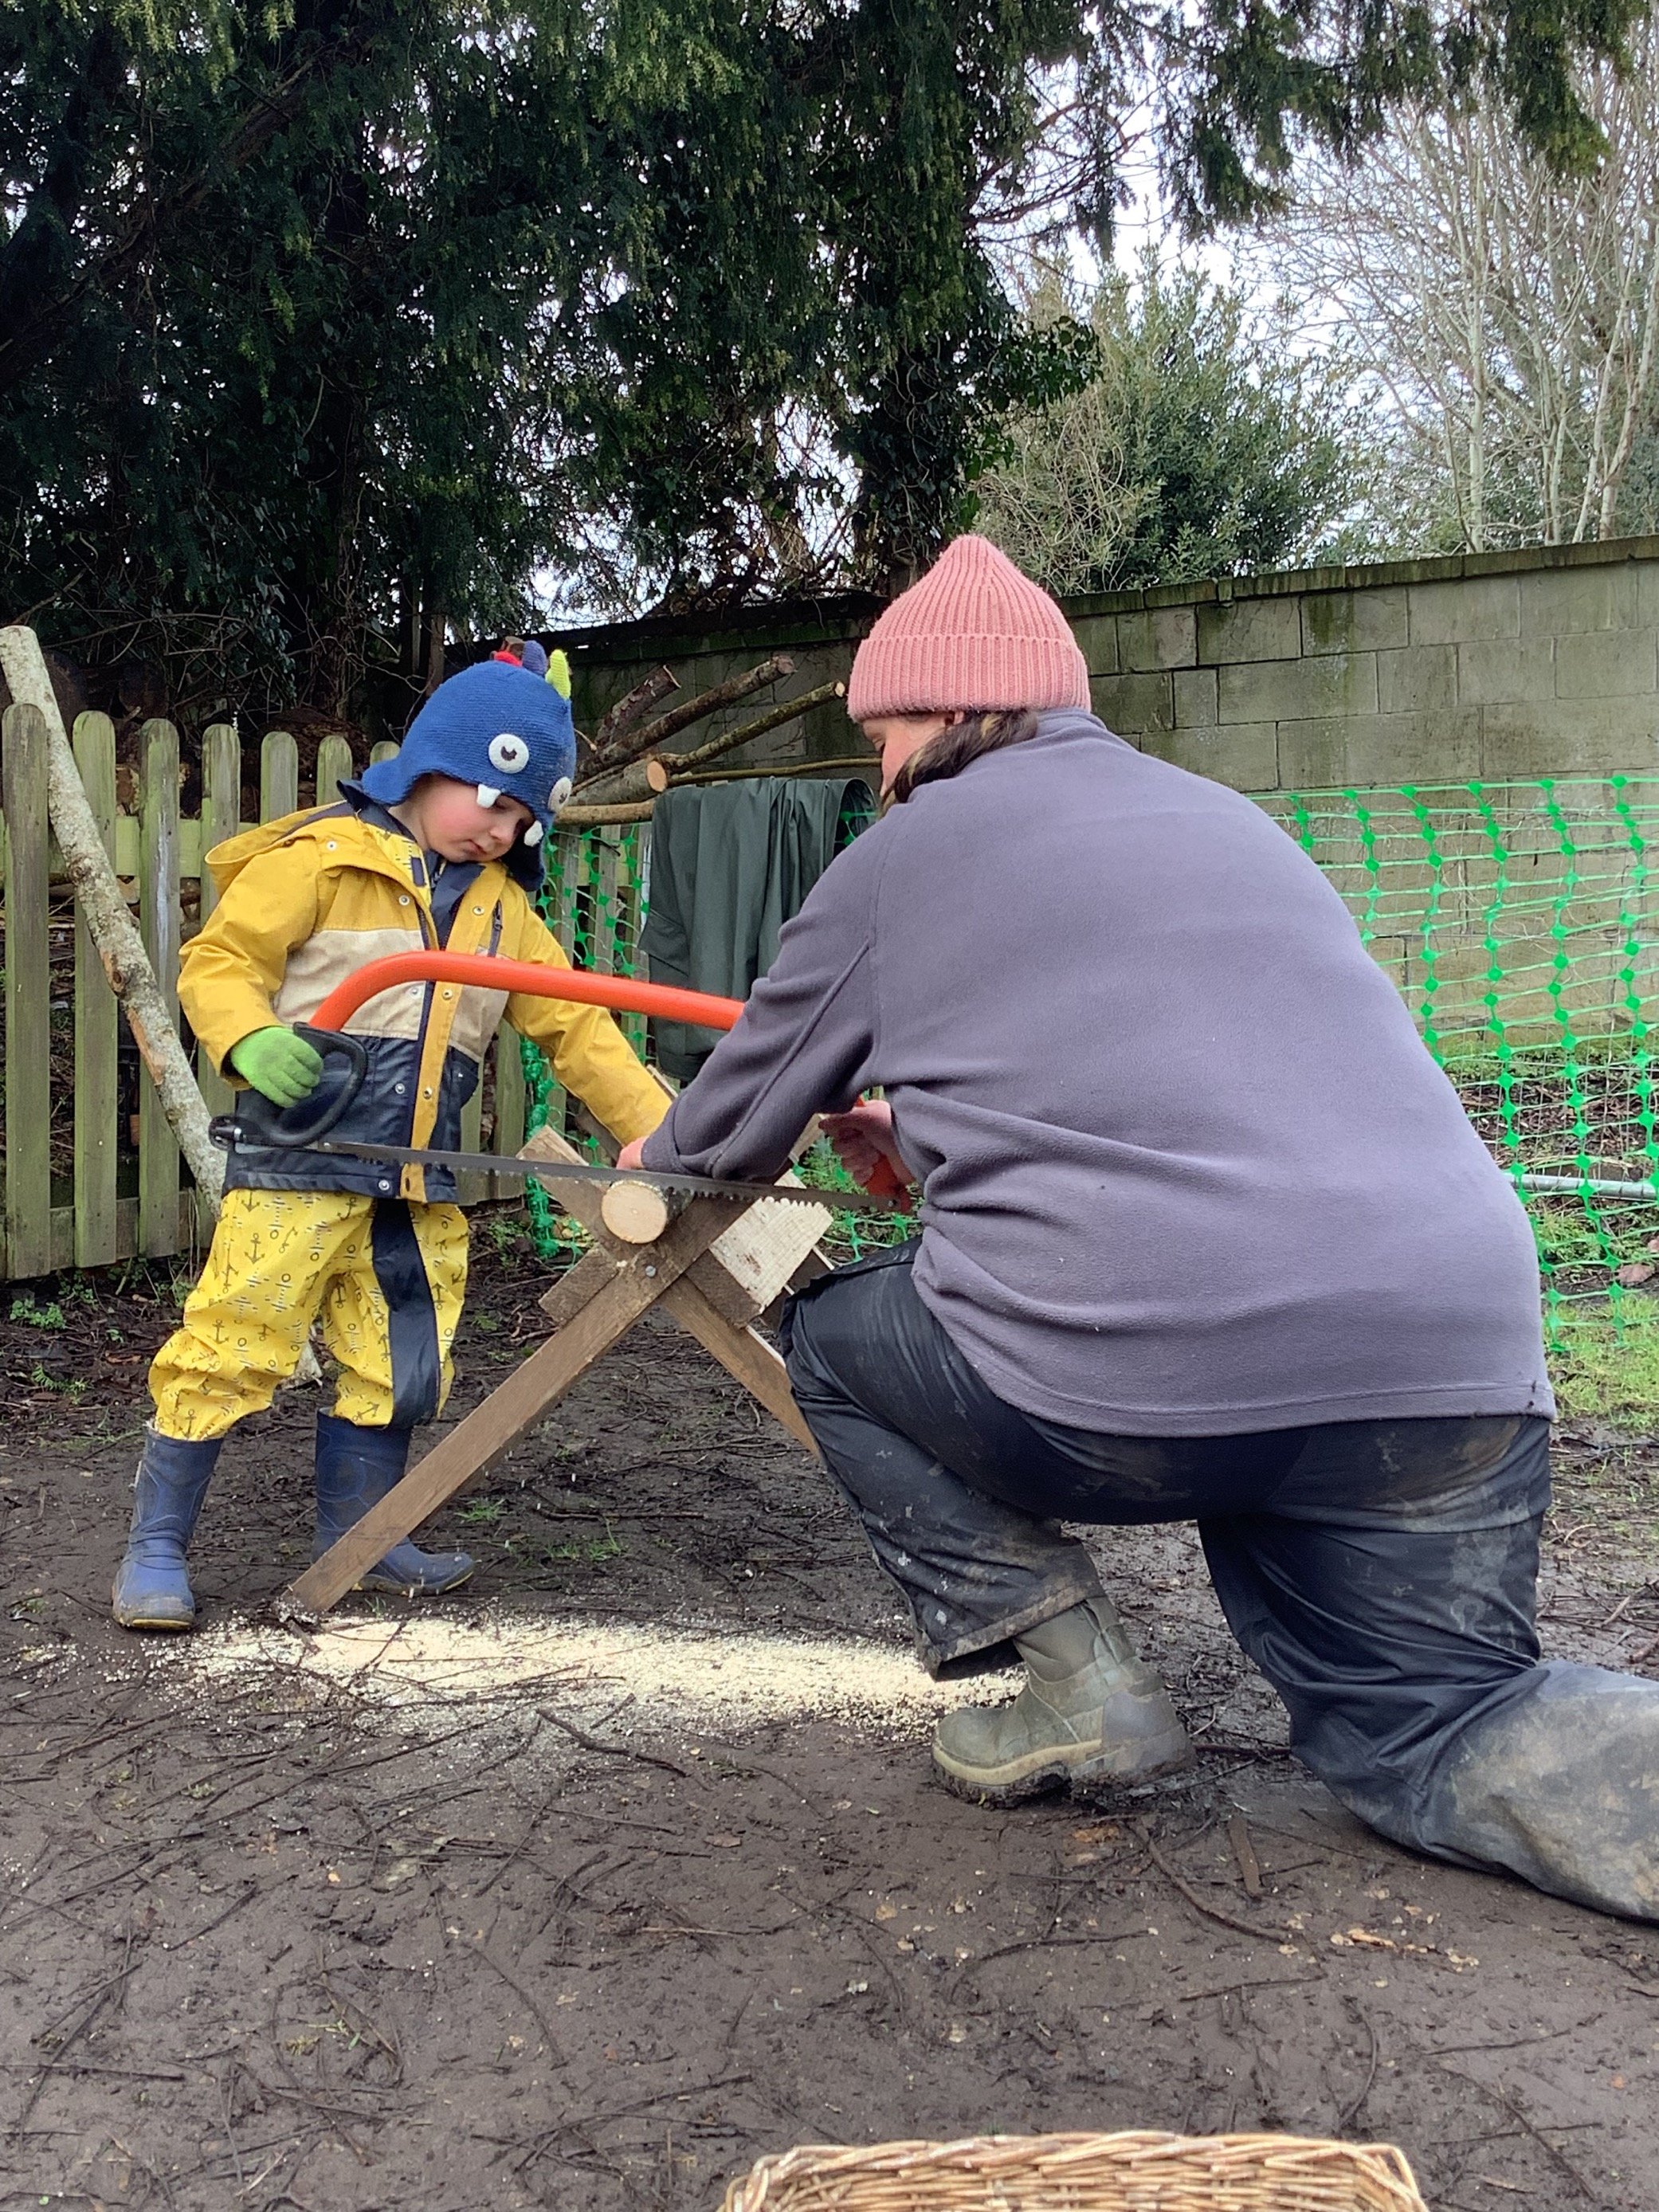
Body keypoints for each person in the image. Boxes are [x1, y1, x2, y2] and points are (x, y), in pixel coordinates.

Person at [621, 534, 1659, 1924]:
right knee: (1436, 1722)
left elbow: (728, 1132)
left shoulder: (911, 848)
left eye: (886, 729)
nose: (879, 765)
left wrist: (656, 1153)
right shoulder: (1227, 819)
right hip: (1448, 1361)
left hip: (1149, 1382)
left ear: (951, 716)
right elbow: (1189, 1099)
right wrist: (924, 1138)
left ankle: (1074, 1683)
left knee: (832, 1343)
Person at [113, 647, 669, 1631]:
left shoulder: (504, 913)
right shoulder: (320, 859)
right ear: (436, 759)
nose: (501, 833)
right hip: (299, 1166)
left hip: (415, 1183)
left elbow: (579, 1026)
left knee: (399, 1355)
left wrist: (656, 1130)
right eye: (493, 803)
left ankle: (360, 1539)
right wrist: (247, 1036)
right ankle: (156, 1545)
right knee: (234, 1339)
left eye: (522, 822)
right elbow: (220, 962)